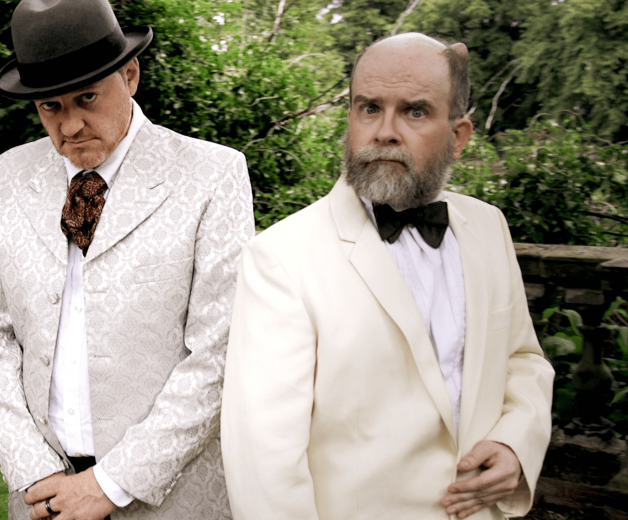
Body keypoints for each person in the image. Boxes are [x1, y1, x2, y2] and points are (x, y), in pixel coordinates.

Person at [221, 32, 554, 519]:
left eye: (414, 111)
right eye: (369, 108)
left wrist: (516, 444)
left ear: (458, 135)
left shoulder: (488, 227)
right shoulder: (280, 258)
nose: (384, 131)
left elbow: (523, 360)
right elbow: (264, 462)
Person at [0, 0, 254, 520]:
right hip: (41, 500)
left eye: (87, 98)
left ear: (130, 75)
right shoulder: (5, 179)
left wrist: (114, 481)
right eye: (49, 106)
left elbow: (219, 351)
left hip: (169, 496)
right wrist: (35, 471)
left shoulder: (213, 175)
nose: (70, 125)